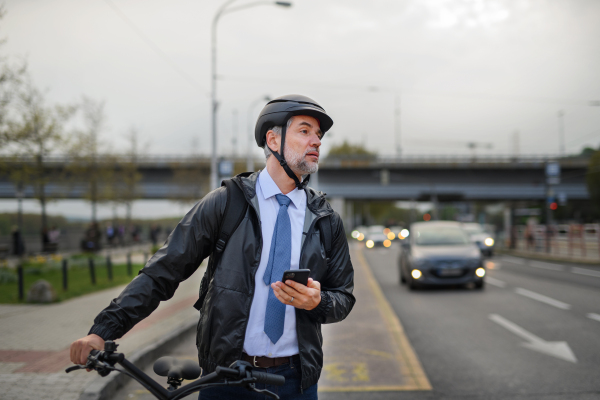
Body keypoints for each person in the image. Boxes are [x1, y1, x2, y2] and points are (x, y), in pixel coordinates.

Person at [69, 95, 355, 399]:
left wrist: (318, 302)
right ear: (273, 139)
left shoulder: (326, 219)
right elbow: (162, 271)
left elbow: (343, 296)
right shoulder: (226, 203)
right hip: (227, 377)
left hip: (296, 381)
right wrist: (103, 331)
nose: (316, 141)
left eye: (319, 135)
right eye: (305, 131)